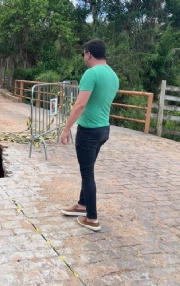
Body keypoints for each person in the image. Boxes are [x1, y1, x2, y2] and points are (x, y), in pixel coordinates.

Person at [60, 39, 119, 231]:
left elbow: (80, 104)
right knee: (88, 168)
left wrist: (66, 128)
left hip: (88, 131)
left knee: (87, 173)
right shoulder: (113, 75)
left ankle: (92, 218)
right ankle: (82, 205)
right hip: (103, 130)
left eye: (83, 54)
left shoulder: (91, 73)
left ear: (88, 54)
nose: (84, 57)